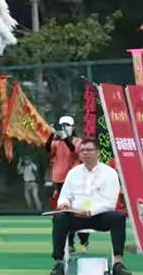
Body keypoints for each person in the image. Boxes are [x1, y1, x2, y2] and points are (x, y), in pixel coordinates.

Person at [49, 139, 131, 275]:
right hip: (75, 215)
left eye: (89, 150)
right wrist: (63, 204)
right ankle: (58, 264)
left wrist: (90, 211)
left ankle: (118, 262)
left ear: (98, 153)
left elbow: (110, 202)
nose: (85, 153)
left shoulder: (109, 173)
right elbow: (65, 195)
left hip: (99, 216)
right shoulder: (73, 173)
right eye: (82, 150)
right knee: (59, 218)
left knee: (117, 217)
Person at [46, 116, 86, 251]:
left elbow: (74, 152)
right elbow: (47, 150)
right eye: (62, 125)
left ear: (73, 127)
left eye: (67, 125)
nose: (65, 128)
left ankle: (83, 240)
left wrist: (65, 139)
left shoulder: (78, 141)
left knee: (78, 210)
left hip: (75, 180)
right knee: (63, 212)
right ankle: (69, 243)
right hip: (60, 180)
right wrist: (51, 136)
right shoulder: (56, 142)